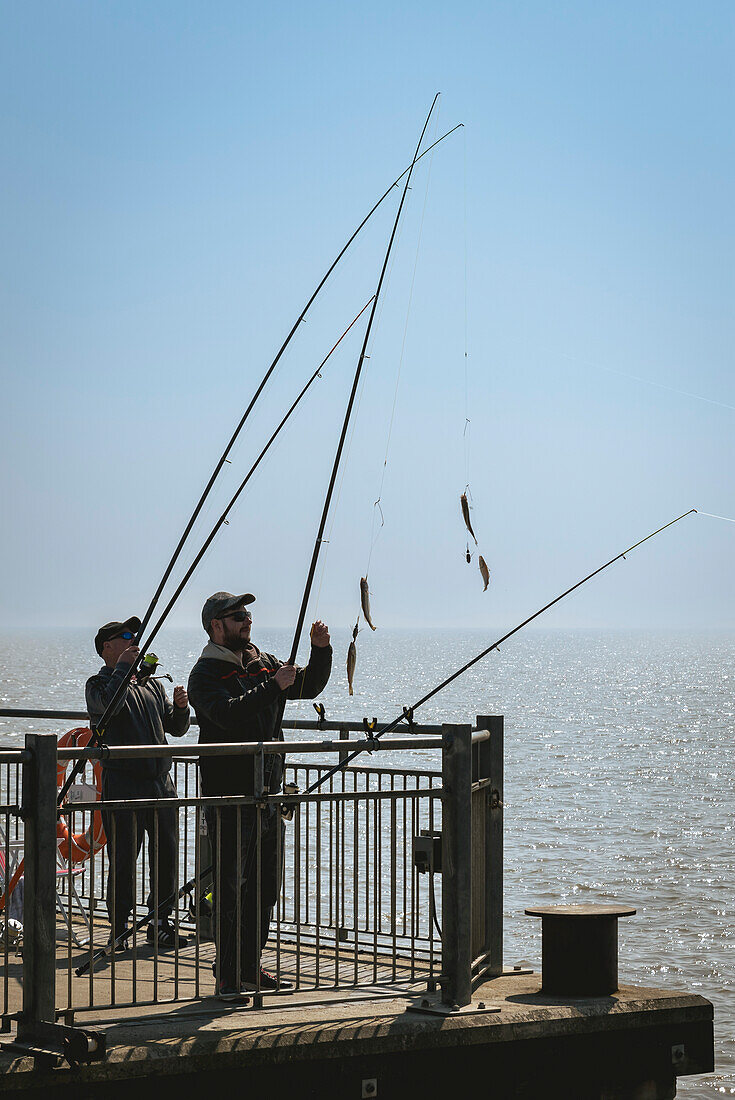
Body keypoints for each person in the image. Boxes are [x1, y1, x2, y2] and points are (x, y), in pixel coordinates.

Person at [187, 591, 332, 1001]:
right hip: (229, 796)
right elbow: (227, 715)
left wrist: (320, 651)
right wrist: (272, 687)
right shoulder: (205, 674)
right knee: (231, 887)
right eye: (236, 616)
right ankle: (228, 976)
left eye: (247, 614)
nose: (245, 620)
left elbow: (307, 686)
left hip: (268, 794)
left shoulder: (264, 661)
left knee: (265, 887)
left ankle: (250, 966)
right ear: (216, 626)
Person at [85, 616, 191, 949]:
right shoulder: (98, 685)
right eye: (127, 637)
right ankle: (118, 928)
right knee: (124, 861)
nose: (135, 641)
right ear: (107, 647)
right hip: (124, 784)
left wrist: (181, 709)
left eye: (137, 636)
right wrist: (123, 670)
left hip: (161, 784)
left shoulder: (150, 684)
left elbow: (175, 728)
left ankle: (161, 922)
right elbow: (107, 710)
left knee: (166, 857)